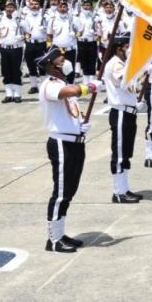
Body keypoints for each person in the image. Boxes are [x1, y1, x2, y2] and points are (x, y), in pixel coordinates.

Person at [37, 46, 98, 252]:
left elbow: (70, 112)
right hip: (61, 144)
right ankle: (53, 239)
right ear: (52, 66)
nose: (66, 63)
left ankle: (61, 233)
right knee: (61, 192)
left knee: (70, 190)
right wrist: (88, 87)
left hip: (74, 142)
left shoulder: (63, 83)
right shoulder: (49, 85)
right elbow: (68, 92)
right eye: (61, 60)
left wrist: (80, 125)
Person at [102, 34, 144, 203]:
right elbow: (129, 86)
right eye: (128, 46)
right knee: (119, 153)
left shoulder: (124, 64)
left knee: (126, 153)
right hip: (120, 112)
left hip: (128, 112)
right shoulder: (115, 65)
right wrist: (142, 74)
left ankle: (124, 189)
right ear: (119, 48)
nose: (130, 49)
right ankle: (118, 192)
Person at [0, 0, 25, 103]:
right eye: (8, 7)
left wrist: (22, 37)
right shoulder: (0, 20)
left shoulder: (20, 20)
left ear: (15, 9)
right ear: (5, 8)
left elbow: (28, 34)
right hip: (4, 49)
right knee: (6, 71)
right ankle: (9, 94)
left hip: (17, 48)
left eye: (12, 7)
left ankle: (17, 94)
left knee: (16, 71)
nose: (9, 9)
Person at [21, 0, 49, 94]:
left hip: (41, 43)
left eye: (36, 4)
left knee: (42, 66)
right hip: (30, 43)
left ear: (39, 5)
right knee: (31, 65)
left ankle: (43, 87)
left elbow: (50, 29)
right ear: (29, 5)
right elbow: (23, 30)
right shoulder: (26, 16)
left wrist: (45, 28)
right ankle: (34, 86)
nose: (34, 6)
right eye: (32, 4)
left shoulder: (45, 16)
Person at [47, 1, 78, 83]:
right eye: (61, 7)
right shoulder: (53, 19)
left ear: (68, 9)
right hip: (57, 50)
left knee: (70, 70)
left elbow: (80, 33)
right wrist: (49, 47)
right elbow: (49, 35)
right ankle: (59, 89)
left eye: (64, 7)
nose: (63, 9)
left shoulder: (73, 19)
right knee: (57, 70)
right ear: (58, 8)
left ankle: (70, 89)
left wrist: (75, 34)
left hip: (70, 49)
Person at [73, 0, 100, 84]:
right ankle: (85, 82)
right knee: (84, 62)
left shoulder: (95, 17)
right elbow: (74, 29)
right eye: (85, 5)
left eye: (88, 5)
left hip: (92, 42)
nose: (87, 7)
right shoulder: (77, 17)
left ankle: (91, 82)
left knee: (92, 62)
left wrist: (96, 32)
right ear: (82, 7)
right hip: (81, 42)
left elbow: (99, 29)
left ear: (91, 7)